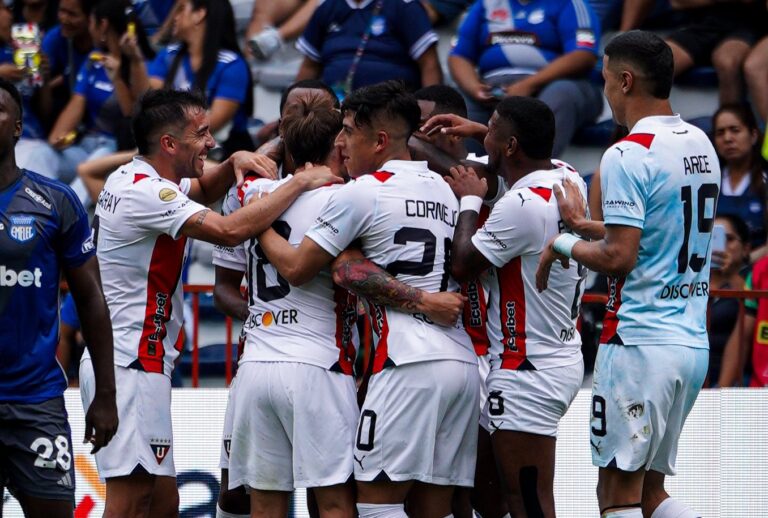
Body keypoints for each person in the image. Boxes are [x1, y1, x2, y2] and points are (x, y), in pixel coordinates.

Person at [78, 88, 340, 517]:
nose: (211, 143)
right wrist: (298, 181)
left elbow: (201, 188)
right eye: (201, 134)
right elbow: (227, 230)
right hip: (128, 364)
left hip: (139, 362)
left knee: (163, 502)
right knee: (129, 502)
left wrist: (241, 157)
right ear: (169, 144)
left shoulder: (142, 179)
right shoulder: (146, 194)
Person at [256, 80, 477, 518]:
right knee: (434, 508)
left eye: (350, 131)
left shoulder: (363, 192)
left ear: (379, 141)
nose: (340, 142)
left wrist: (255, 223)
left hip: (406, 363)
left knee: (377, 505)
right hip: (461, 365)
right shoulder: (442, 189)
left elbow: (309, 269)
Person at [536, 31, 719, 518]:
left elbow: (619, 257)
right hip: (689, 343)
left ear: (625, 80)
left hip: (639, 343)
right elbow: (658, 228)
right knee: (652, 494)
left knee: (616, 495)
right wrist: (583, 224)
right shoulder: (700, 141)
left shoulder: (626, 153)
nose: (604, 93)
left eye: (605, 81)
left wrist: (562, 243)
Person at [445, 97, 586, 518]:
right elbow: (504, 166)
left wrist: (470, 202)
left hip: (528, 368)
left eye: (489, 129)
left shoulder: (520, 207)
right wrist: (478, 133)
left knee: (527, 502)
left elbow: (464, 265)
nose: (480, 133)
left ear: (510, 146)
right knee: (486, 495)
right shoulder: (567, 177)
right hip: (552, 353)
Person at [0, 78, 118, 518]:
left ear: (18, 127)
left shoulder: (55, 201)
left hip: (37, 401)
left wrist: (104, 394)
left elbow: (90, 299)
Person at [448, 0, 603, 156]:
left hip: (556, 83)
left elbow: (583, 55)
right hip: (493, 87)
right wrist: (474, 87)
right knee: (456, 100)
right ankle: (469, 171)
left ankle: (534, 174)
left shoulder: (570, 4)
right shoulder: (485, 4)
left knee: (560, 93)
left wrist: (529, 85)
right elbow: (458, 56)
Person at [49, 0, 155, 190]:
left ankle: (68, 217)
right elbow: (76, 102)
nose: (90, 29)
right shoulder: (94, 60)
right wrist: (58, 137)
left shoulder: (144, 64)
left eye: (92, 22)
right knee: (43, 154)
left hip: (118, 149)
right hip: (86, 145)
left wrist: (126, 69)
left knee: (86, 174)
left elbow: (136, 113)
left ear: (103, 25)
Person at [146, 0, 255, 157]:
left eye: (182, 9)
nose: (174, 17)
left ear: (199, 14)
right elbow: (150, 102)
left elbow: (212, 124)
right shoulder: (168, 55)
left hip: (222, 151)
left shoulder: (232, 65)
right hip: (173, 147)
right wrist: (135, 61)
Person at [295, 0, 442, 99]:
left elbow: (429, 64)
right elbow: (309, 66)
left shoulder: (404, 5)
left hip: (392, 110)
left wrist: (429, 114)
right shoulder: (326, 6)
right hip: (336, 111)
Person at [665, 0, 767, 106]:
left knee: (727, 62)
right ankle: (653, 120)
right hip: (704, 25)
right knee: (656, 62)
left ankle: (731, 120)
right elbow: (678, 3)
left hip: (748, 25)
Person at [712, 103, 768, 260]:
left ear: (754, 135)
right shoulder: (708, 181)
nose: (728, 138)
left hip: (756, 273)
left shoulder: (764, 181)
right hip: (712, 273)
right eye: (720, 133)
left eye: (735, 130)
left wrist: (741, 261)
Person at [708, 214, 751, 387]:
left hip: (734, 381)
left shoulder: (752, 281)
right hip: (692, 374)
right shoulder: (689, 279)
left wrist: (730, 275)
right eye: (715, 238)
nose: (722, 246)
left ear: (746, 249)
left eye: (730, 239)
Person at [42, 0, 96, 122]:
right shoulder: (55, 38)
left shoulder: (103, 44)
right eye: (62, 11)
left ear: (91, 17)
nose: (64, 19)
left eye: (72, 14)